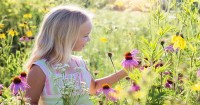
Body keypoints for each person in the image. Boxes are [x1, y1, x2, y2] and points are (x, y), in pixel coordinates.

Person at [25, 5, 128, 105]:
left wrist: (126, 71)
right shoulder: (41, 69)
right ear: (66, 37)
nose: (89, 39)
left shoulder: (79, 63)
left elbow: (94, 88)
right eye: (85, 35)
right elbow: (30, 102)